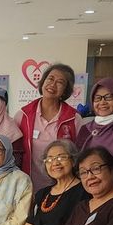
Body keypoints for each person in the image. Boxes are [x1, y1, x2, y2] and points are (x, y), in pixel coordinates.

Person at [16, 63, 79, 192]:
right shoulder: (23, 115)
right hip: (28, 186)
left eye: (60, 82)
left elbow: (79, 155)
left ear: (65, 90)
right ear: (43, 81)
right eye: (50, 79)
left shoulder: (74, 118)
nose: (53, 84)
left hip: (63, 187)